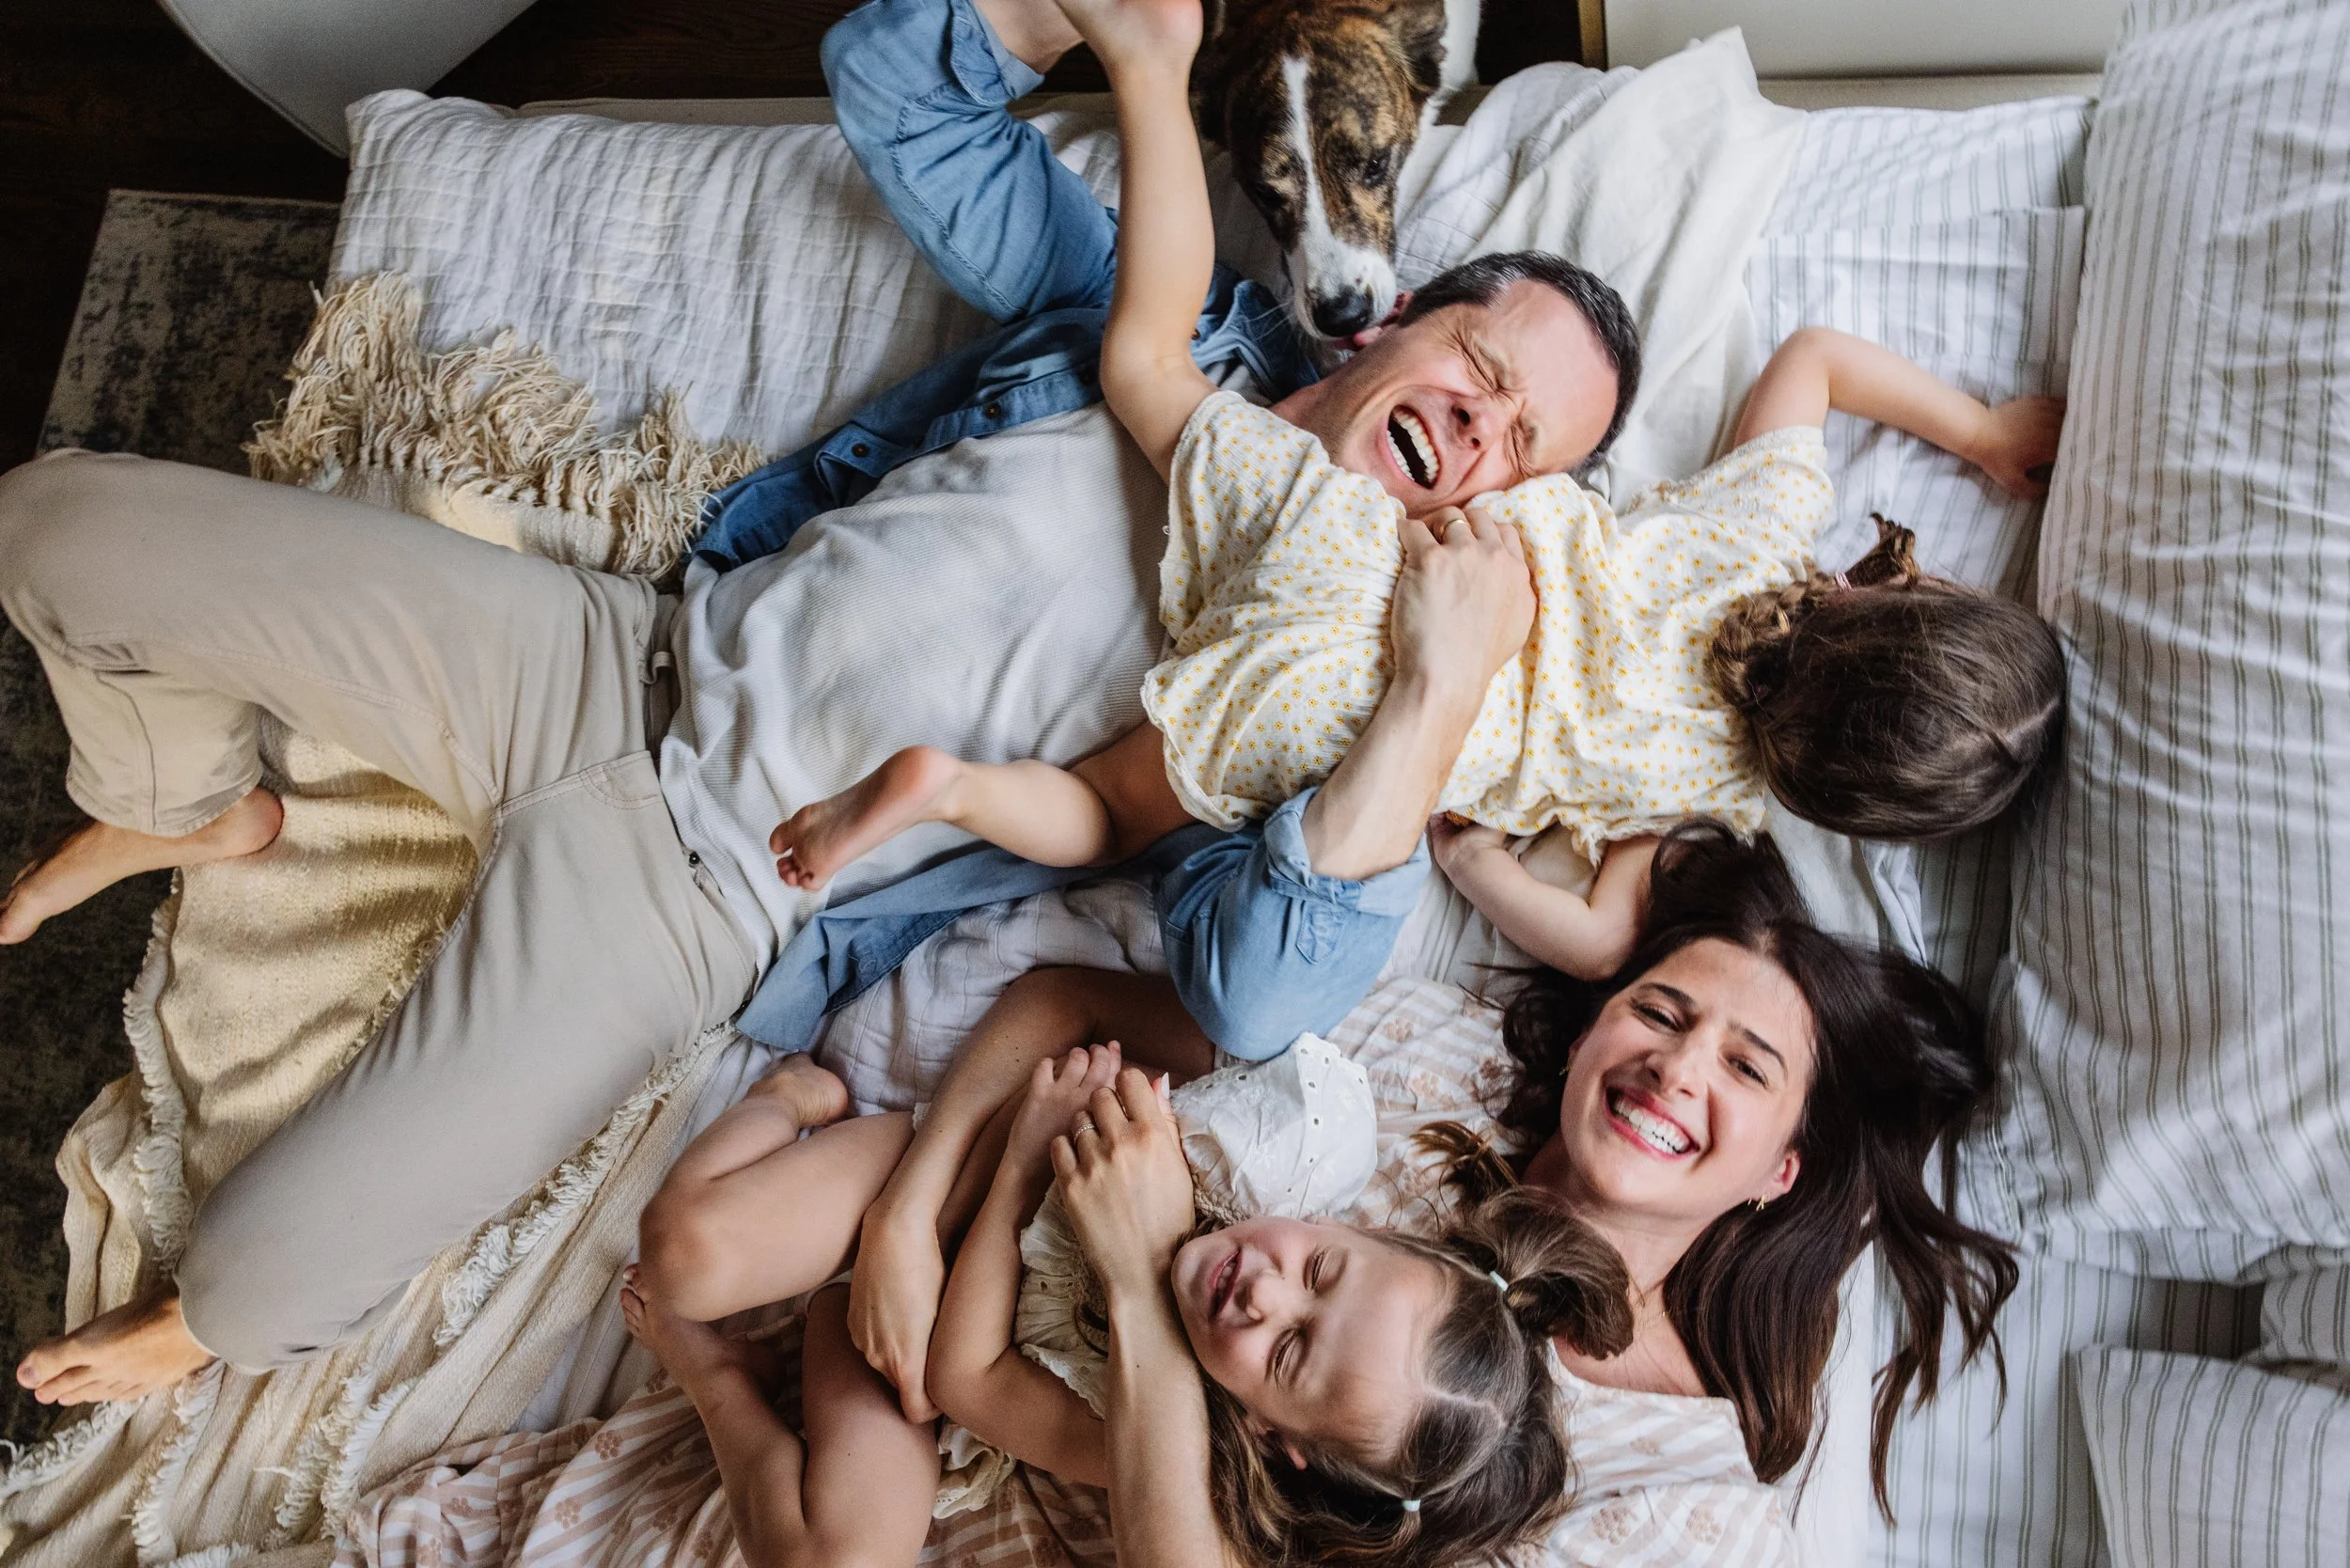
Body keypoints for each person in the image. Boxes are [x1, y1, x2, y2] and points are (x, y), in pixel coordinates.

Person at [3, 0, 1636, 1404]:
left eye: (1523, 452)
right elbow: (902, 85)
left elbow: (1253, 986)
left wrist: (1433, 694)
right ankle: (188, 803)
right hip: (610, 654)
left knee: (254, 1286)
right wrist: (1112, 38)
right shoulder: (1172, 335)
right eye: (1481, 372)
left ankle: (229, 1289)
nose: (1476, 434)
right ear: (1397, 315)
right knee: (53, 525)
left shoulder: (1331, 700)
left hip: (702, 893)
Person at [991, 823, 2020, 1568]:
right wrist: (917, 1225)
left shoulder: (1690, 1503)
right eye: (1660, 1014)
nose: (1675, 1069)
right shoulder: (1428, 1055)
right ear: (1588, 1035)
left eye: (1746, 1069)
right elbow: (1065, 1006)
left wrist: (1143, 1279)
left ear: (1778, 1173)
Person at [621, 1018, 1634, 1568]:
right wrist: (1010, 1158)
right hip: (937, 1179)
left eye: (1288, 1352)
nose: (1264, 1295)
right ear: (1354, 1231)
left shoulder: (1165, 1440)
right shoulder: (1258, 1150)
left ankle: (721, 1378)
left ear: (1277, 1435)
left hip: (902, 1348)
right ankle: (783, 1098)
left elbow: (964, 1378)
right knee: (683, 1256)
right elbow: (1082, 1023)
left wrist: (1042, 1188)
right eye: (1319, 1273)